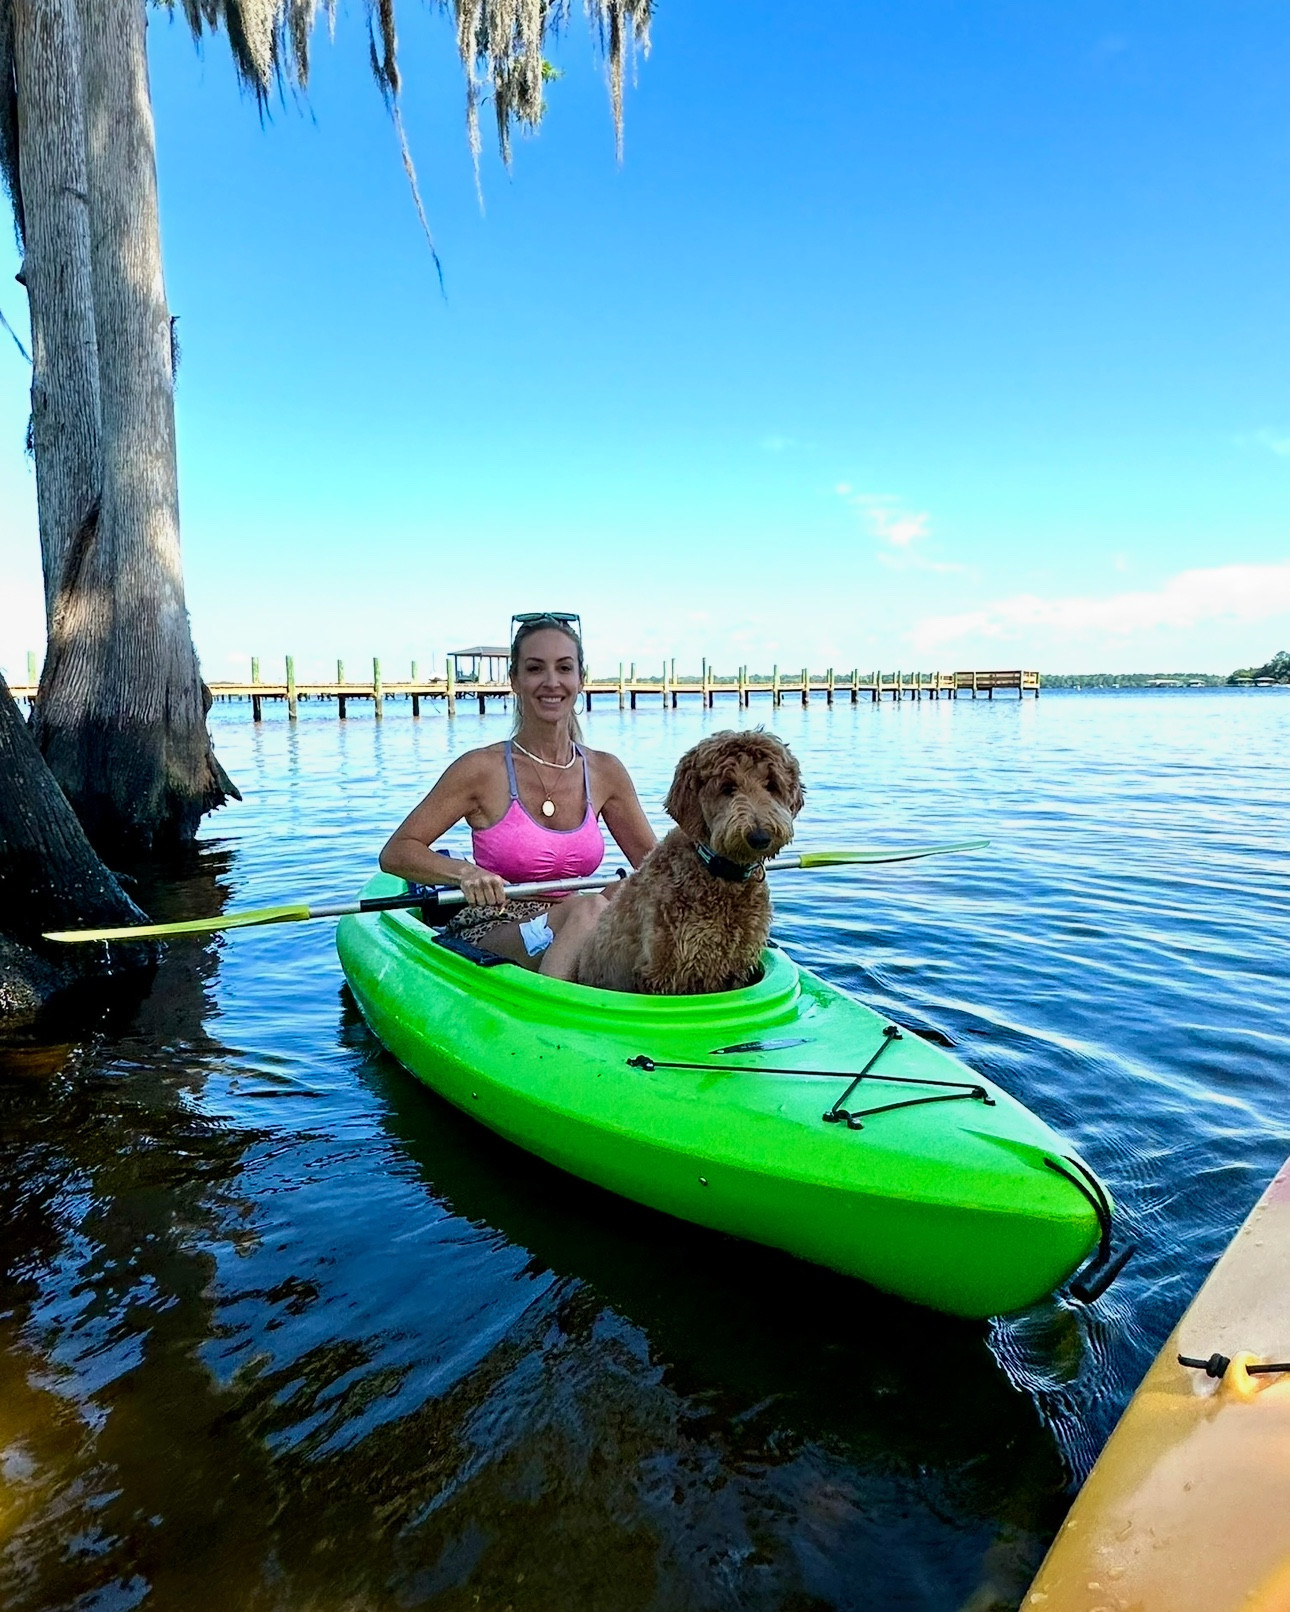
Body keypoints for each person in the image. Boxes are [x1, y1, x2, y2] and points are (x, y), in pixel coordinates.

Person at [379, 614, 656, 979]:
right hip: (499, 925)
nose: (552, 682)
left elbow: (657, 866)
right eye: (535, 668)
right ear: (515, 680)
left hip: (578, 916)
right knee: (588, 910)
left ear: (580, 679)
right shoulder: (480, 769)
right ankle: (552, 1023)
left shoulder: (607, 772)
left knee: (625, 893)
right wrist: (464, 872)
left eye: (564, 668)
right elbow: (397, 851)